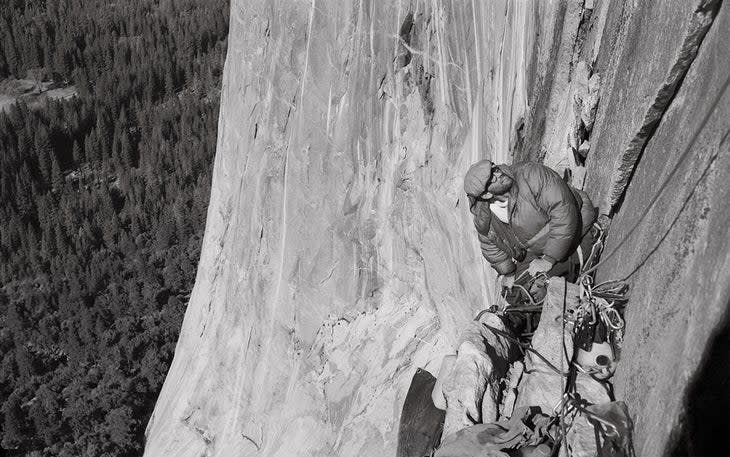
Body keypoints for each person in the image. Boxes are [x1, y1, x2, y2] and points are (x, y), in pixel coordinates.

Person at [464, 159, 596, 297]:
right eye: (491, 178)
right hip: (537, 248)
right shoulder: (485, 217)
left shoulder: (531, 175)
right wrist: (508, 273)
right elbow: (491, 248)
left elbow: (563, 213)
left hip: (576, 226)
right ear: (486, 195)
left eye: (494, 169)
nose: (498, 174)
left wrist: (548, 259)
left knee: (538, 288)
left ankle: (592, 243)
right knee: (514, 294)